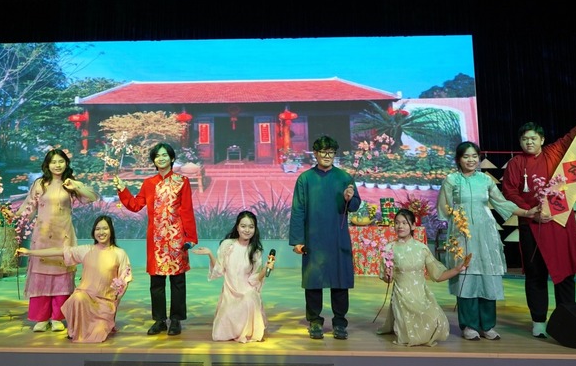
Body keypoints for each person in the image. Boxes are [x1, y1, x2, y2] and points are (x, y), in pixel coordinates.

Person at [437, 141, 540, 341]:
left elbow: (501, 202)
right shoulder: (451, 180)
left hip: (486, 234)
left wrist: (527, 212)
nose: (471, 160)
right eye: (466, 156)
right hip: (462, 235)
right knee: (466, 276)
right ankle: (469, 325)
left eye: (474, 156)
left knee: (487, 276)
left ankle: (487, 325)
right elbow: (444, 208)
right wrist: (456, 225)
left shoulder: (485, 180)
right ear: (459, 159)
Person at [501, 121, 576, 338]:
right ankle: (538, 321)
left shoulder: (554, 152)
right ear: (520, 142)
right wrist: (530, 211)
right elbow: (510, 192)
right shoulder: (515, 163)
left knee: (565, 273)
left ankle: (566, 319)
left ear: (542, 140)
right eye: (524, 139)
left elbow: (572, 136)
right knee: (535, 274)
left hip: (559, 222)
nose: (529, 142)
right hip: (532, 223)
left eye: (533, 138)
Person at [113, 142, 198, 336]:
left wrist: (191, 237)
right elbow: (135, 205)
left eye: (164, 155)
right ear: (154, 160)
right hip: (156, 239)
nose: (161, 158)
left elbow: (186, 210)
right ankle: (159, 320)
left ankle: (176, 320)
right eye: (157, 156)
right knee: (157, 282)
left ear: (172, 158)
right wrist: (123, 189)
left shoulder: (182, 181)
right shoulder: (149, 183)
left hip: (177, 238)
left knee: (178, 281)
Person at [15, 149, 99, 332]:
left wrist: (75, 186)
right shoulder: (40, 184)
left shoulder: (70, 184)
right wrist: (15, 217)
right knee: (41, 274)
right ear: (47, 165)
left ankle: (57, 317)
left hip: (63, 235)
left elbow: (92, 197)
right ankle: (41, 317)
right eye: (53, 162)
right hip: (42, 235)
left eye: (61, 161)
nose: (57, 165)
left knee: (62, 275)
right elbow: (29, 207)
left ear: (66, 163)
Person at [288, 135, 361, 340]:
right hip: (313, 237)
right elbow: (298, 210)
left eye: (331, 152)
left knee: (340, 281)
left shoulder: (344, 177)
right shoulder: (305, 179)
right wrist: (298, 240)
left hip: (338, 236)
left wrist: (349, 198)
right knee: (313, 280)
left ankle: (340, 323)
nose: (327, 156)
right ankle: (314, 321)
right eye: (323, 152)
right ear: (315, 153)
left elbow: (355, 205)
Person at [17, 215, 132, 343]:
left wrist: (116, 300)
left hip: (105, 302)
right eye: (97, 229)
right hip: (85, 298)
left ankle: (100, 323)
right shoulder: (86, 250)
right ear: (93, 232)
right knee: (77, 298)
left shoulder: (119, 253)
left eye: (105, 228)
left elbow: (125, 279)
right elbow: (58, 251)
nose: (101, 232)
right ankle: (75, 329)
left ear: (111, 231)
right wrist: (30, 252)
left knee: (99, 333)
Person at [377, 209, 468, 347]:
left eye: (404, 223)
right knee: (409, 334)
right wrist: (387, 275)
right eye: (397, 223)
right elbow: (387, 279)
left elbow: (437, 275)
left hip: (421, 296)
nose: (400, 226)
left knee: (438, 321)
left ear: (413, 226)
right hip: (402, 297)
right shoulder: (389, 249)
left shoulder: (422, 248)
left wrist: (457, 269)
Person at [192, 210, 273, 343]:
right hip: (230, 292)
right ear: (237, 227)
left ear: (255, 229)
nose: (247, 230)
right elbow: (219, 270)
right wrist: (210, 254)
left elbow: (254, 279)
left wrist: (266, 268)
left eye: (251, 227)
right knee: (220, 335)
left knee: (249, 298)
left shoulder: (255, 251)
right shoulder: (228, 245)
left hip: (247, 291)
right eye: (243, 226)